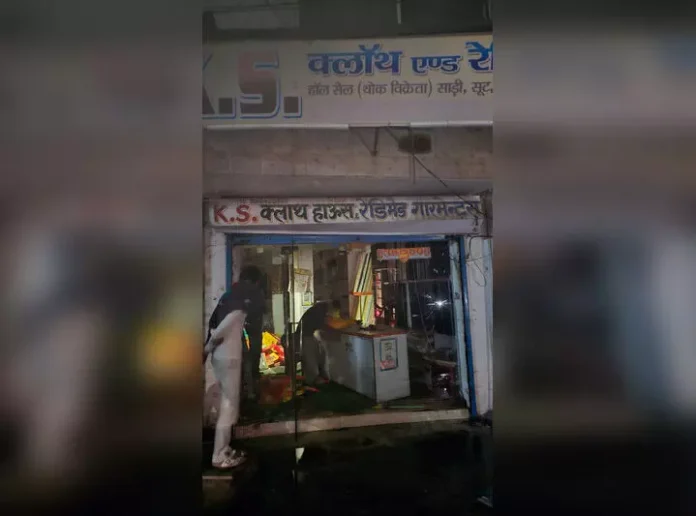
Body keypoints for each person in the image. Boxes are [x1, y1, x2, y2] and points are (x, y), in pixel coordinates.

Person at [204, 265, 265, 469]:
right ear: (255, 282)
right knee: (229, 407)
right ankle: (219, 455)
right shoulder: (240, 301)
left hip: (220, 357)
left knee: (226, 404)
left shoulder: (228, 297)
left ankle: (224, 448)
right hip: (228, 357)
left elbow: (213, 323)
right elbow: (223, 327)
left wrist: (208, 349)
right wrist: (207, 348)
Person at [295, 299, 341, 387]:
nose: (335, 313)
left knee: (321, 353)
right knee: (310, 358)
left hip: (309, 335)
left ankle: (321, 376)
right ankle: (311, 381)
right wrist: (349, 322)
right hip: (305, 336)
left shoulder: (320, 308)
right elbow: (330, 325)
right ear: (332, 307)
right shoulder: (320, 310)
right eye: (336, 311)